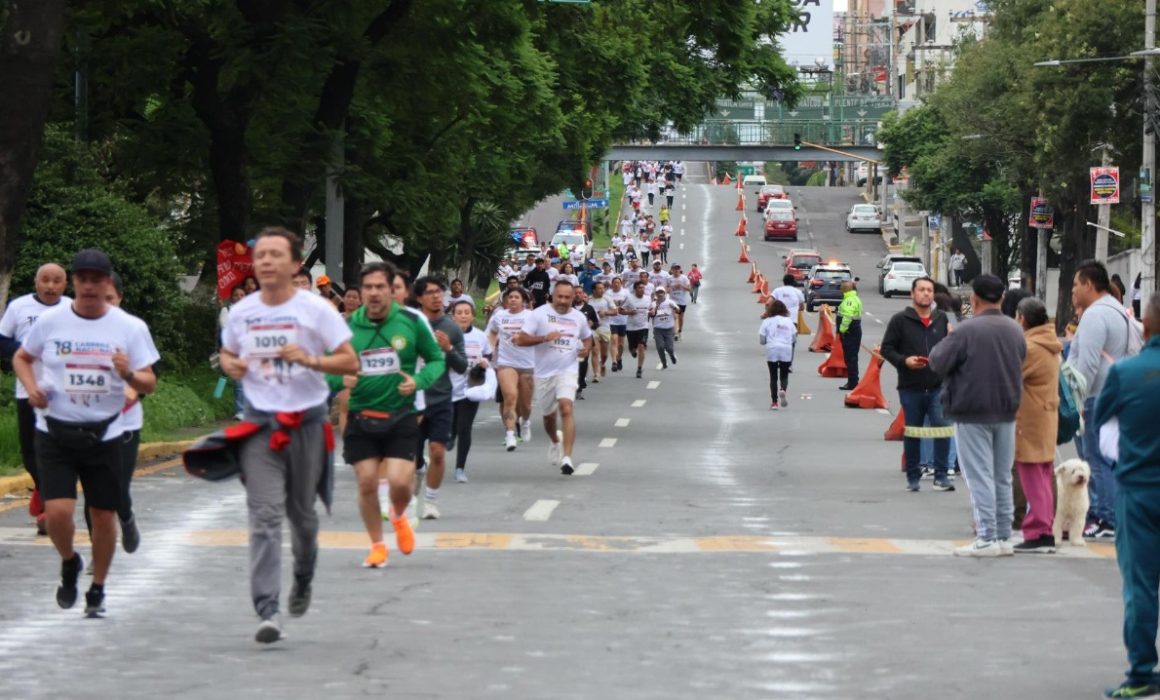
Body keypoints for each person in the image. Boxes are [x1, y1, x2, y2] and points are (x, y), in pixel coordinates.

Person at [218, 229, 358, 642]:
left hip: (307, 422)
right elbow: (228, 351)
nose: (265, 262)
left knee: (303, 517)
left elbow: (349, 361)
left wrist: (311, 359)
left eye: (275, 255)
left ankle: (303, 573)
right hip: (260, 423)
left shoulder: (316, 311)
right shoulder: (243, 312)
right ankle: (267, 608)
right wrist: (231, 365)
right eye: (260, 255)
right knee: (264, 514)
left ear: (296, 264)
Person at [13, 249, 159, 618]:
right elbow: (21, 357)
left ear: (108, 282)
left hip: (105, 434)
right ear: (74, 281)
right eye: (83, 279)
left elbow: (150, 381)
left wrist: (127, 375)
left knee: (103, 516)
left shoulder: (129, 327)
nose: (90, 286)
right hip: (55, 430)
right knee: (58, 512)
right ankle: (69, 562)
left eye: (98, 279)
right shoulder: (51, 321)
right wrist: (32, 388)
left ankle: (98, 588)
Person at [332, 262, 444, 570]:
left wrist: (418, 382)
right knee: (367, 483)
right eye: (367, 287)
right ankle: (378, 545)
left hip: (401, 416)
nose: (374, 293)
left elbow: (436, 360)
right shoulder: (346, 328)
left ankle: (398, 514)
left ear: (393, 290)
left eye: (381, 287)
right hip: (361, 417)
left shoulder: (410, 322)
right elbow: (327, 370)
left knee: (399, 484)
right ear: (361, 291)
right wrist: (340, 380)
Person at [1091, 291, 1160, 700]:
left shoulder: (1128, 372)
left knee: (1141, 586)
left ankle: (1142, 672)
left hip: (1139, 492)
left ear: (1144, 327)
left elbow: (1101, 422)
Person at [928, 274, 1027, 557]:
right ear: (1003, 298)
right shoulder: (1014, 330)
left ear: (974, 299)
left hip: (971, 411)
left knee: (979, 476)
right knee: (1001, 476)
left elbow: (938, 361)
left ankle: (986, 537)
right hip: (1007, 409)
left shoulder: (965, 331)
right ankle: (1004, 536)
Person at [0, 262, 69, 535]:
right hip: (27, 391)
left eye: (57, 281)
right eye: (45, 280)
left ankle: (49, 507)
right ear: (36, 282)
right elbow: (2, 342)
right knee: (30, 452)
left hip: (64, 394)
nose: (50, 286)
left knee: (59, 451)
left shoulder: (72, 308)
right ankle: (44, 493)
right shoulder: (19, 307)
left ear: (65, 284)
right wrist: (30, 349)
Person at [1067, 260, 1134, 539]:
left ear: (1088, 285)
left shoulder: (1095, 315)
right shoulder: (1120, 311)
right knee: (1111, 457)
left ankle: (1104, 517)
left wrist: (1078, 400)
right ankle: (1111, 514)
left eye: (1075, 284)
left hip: (1097, 396)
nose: (1072, 291)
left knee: (1096, 458)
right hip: (1120, 393)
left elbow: (1088, 364)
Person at [880, 277, 954, 492]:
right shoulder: (900, 320)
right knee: (913, 431)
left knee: (942, 429)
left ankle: (941, 475)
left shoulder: (943, 320)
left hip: (939, 386)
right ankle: (913, 476)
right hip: (910, 387)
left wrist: (952, 338)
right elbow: (887, 349)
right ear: (912, 294)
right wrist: (905, 361)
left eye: (929, 290)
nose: (926, 294)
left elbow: (956, 347)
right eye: (921, 290)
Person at [101, 272, 156, 555]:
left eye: (110, 298)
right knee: (95, 492)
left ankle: (126, 517)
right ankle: (99, 547)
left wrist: (129, 393)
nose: (105, 304)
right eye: (99, 298)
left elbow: (148, 377)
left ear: (120, 298)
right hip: (87, 422)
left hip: (125, 421)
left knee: (116, 488)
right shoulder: (75, 327)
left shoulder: (132, 329)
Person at [516, 280, 592, 475]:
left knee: (566, 408)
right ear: (552, 295)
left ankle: (567, 458)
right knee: (549, 419)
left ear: (574, 298)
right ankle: (555, 441)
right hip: (543, 374)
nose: (563, 301)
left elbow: (587, 337)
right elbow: (521, 339)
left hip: (568, 369)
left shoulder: (578, 318)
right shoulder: (539, 314)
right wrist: (543, 338)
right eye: (560, 296)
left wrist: (586, 349)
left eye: (568, 297)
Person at [411, 277, 468, 520]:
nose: (436, 296)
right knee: (411, 458)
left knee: (437, 451)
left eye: (439, 292)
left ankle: (431, 501)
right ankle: (418, 470)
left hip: (441, 398)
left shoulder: (452, 328)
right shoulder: (409, 325)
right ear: (419, 298)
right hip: (412, 400)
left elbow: (463, 366)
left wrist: (448, 350)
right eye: (430, 292)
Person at [1011, 296, 1062, 553]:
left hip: (1030, 420)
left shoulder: (1030, 347)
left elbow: (1010, 375)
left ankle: (1039, 529)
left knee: (1032, 475)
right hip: (1045, 416)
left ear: (1022, 318)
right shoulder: (1048, 342)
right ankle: (1043, 527)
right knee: (1042, 474)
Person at [487, 288, 535, 451]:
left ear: (524, 301)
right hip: (506, 362)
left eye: (517, 297)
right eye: (510, 297)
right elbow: (492, 333)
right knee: (510, 397)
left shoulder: (531, 317)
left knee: (525, 405)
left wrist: (524, 339)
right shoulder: (499, 316)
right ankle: (510, 434)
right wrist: (491, 350)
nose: (513, 299)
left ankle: (526, 421)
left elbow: (541, 337)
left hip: (527, 363)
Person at [448, 300, 491, 482]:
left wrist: (484, 362)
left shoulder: (480, 336)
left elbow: (488, 354)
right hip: (448, 388)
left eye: (467, 312)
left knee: (465, 428)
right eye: (459, 312)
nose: (463, 315)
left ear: (473, 315)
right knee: (451, 429)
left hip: (471, 388)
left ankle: (460, 468)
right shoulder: (446, 336)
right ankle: (450, 435)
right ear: (452, 316)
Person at [759, 299, 795, 410]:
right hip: (786, 348)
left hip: (772, 348)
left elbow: (762, 339)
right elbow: (793, 338)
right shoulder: (789, 321)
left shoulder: (766, 321)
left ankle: (774, 402)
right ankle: (783, 389)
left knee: (773, 376)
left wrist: (767, 342)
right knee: (784, 374)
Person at [835, 281, 863, 391]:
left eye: (841, 288)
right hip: (854, 332)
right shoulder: (854, 298)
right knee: (852, 357)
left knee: (850, 358)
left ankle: (852, 382)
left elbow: (847, 316)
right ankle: (853, 380)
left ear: (844, 290)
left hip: (849, 332)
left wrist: (842, 330)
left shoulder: (849, 301)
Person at [623, 280, 652, 379]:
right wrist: (628, 312)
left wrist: (652, 312)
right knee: (633, 349)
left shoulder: (648, 298)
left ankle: (639, 368)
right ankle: (632, 351)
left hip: (643, 326)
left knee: (641, 346)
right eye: (639, 288)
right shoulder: (629, 298)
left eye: (643, 288)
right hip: (631, 327)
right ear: (635, 289)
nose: (642, 289)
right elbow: (620, 310)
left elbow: (652, 309)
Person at [573, 290, 600, 399]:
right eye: (575, 293)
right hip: (570, 340)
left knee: (583, 363)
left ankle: (580, 386)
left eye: (579, 293)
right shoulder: (568, 308)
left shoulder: (589, 308)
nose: (577, 295)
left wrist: (592, 324)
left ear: (583, 295)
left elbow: (596, 323)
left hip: (584, 340)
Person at [772, 274, 806, 354]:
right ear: (793, 282)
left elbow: (768, 302)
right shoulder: (798, 292)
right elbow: (802, 307)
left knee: (778, 339)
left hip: (778, 320)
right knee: (792, 341)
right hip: (792, 321)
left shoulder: (777, 290)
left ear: (783, 282)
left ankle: (778, 355)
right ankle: (789, 361)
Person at [587, 281, 612, 382]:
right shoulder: (588, 300)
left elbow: (615, 311)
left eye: (603, 288)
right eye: (600, 288)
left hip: (604, 328)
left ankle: (602, 363)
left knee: (604, 354)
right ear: (594, 290)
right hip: (593, 329)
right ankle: (596, 374)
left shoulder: (607, 299)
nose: (602, 290)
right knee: (595, 351)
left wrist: (606, 312)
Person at [650, 287, 679, 369]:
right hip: (658, 329)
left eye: (661, 292)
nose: (660, 294)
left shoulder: (670, 302)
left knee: (669, 348)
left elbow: (678, 310)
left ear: (665, 293)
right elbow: (650, 314)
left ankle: (672, 355)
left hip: (669, 328)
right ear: (656, 294)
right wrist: (652, 311)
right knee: (660, 347)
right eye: (658, 292)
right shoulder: (653, 304)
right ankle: (664, 363)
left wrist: (674, 308)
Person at [606, 276, 630, 373]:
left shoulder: (626, 293)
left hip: (623, 320)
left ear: (621, 284)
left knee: (621, 344)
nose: (616, 284)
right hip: (612, 320)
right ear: (612, 284)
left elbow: (630, 304)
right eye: (614, 282)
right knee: (614, 341)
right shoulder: (608, 293)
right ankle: (614, 362)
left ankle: (619, 357)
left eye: (618, 282)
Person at [667, 264, 691, 340]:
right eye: (675, 269)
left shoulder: (684, 278)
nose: (676, 270)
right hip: (673, 301)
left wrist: (681, 286)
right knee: (675, 316)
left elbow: (689, 289)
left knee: (681, 318)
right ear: (671, 270)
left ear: (680, 269)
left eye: (678, 268)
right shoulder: (669, 278)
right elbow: (666, 290)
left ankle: (680, 330)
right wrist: (673, 287)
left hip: (682, 301)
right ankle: (676, 333)